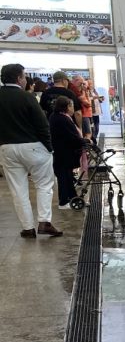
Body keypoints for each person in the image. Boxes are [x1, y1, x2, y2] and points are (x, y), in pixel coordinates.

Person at [0, 63, 62, 238]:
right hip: (33, 147)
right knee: (44, 185)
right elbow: (42, 125)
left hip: (6, 148)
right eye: (24, 75)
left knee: (18, 189)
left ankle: (27, 228)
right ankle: (44, 222)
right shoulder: (27, 97)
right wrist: (49, 148)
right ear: (19, 78)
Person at [49, 95, 91, 210]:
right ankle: (63, 202)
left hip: (63, 153)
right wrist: (84, 141)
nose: (73, 108)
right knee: (63, 178)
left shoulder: (59, 116)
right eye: (72, 106)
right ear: (67, 107)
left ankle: (73, 198)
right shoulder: (61, 119)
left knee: (67, 177)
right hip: (62, 153)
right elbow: (70, 137)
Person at [69, 76, 93, 140]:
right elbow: (88, 104)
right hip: (83, 115)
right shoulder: (76, 91)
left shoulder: (81, 91)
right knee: (87, 134)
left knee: (87, 133)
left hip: (84, 114)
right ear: (76, 81)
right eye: (81, 83)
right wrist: (85, 94)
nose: (83, 85)